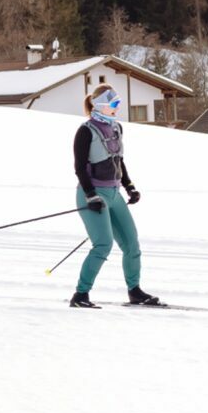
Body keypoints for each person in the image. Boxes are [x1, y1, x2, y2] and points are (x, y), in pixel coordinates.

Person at [68, 83, 162, 309]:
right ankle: (80, 295)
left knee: (131, 244)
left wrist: (129, 186)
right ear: (101, 104)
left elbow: (119, 160)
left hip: (114, 193)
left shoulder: (117, 128)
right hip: (92, 194)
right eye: (114, 103)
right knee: (103, 245)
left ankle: (135, 291)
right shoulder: (85, 131)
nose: (118, 107)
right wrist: (91, 195)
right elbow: (79, 167)